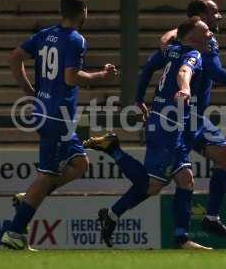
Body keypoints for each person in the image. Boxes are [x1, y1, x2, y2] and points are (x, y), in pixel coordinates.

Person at [136, 0, 226, 238]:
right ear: (201, 18)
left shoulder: (200, 40)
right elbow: (215, 71)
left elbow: (165, 45)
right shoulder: (194, 44)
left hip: (194, 116)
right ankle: (117, 212)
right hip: (186, 117)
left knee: (224, 161)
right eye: (214, 12)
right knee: (160, 182)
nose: (219, 16)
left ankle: (209, 219)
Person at [1, 0, 117, 250]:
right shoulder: (76, 39)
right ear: (84, 11)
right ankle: (15, 231)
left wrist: (30, 92)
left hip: (46, 111)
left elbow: (13, 58)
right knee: (46, 175)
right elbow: (71, 78)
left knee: (79, 164)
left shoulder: (44, 34)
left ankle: (28, 197)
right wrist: (103, 76)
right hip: (57, 116)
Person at [85, 17, 213, 249]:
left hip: (167, 123)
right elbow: (184, 72)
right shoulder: (192, 54)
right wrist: (185, 87)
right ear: (192, 37)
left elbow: (147, 70)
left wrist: (138, 98)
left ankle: (181, 238)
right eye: (205, 32)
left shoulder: (171, 50)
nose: (210, 35)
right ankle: (114, 150)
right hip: (167, 127)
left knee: (185, 179)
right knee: (151, 185)